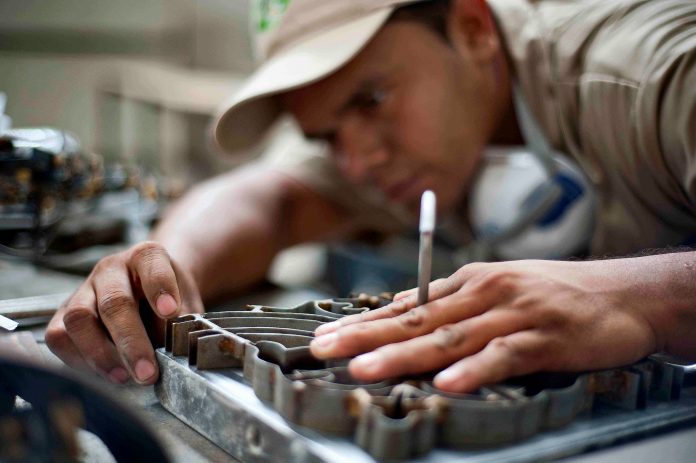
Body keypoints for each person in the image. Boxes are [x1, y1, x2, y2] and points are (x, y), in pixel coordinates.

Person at [46, 0, 696, 392]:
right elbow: (268, 199)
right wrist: (163, 263)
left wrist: (647, 299)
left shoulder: (657, 74)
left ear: (472, 27)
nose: (357, 160)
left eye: (370, 99)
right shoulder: (401, 128)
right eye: (326, 134)